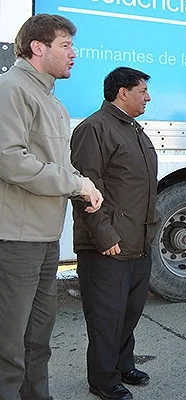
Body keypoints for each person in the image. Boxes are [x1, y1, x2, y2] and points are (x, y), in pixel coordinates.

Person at [0, 14, 104, 400]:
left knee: (38, 339)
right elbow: (10, 159)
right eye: (66, 45)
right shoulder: (11, 89)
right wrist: (75, 183)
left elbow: (57, 164)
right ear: (37, 47)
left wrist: (83, 183)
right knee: (9, 347)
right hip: (15, 239)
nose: (74, 54)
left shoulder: (51, 101)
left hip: (44, 239)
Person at [70, 67, 159, 400]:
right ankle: (103, 379)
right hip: (108, 245)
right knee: (106, 315)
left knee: (129, 310)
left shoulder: (133, 129)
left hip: (137, 240)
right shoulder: (94, 129)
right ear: (122, 92)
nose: (148, 97)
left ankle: (123, 365)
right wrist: (105, 236)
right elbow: (86, 189)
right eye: (142, 91)